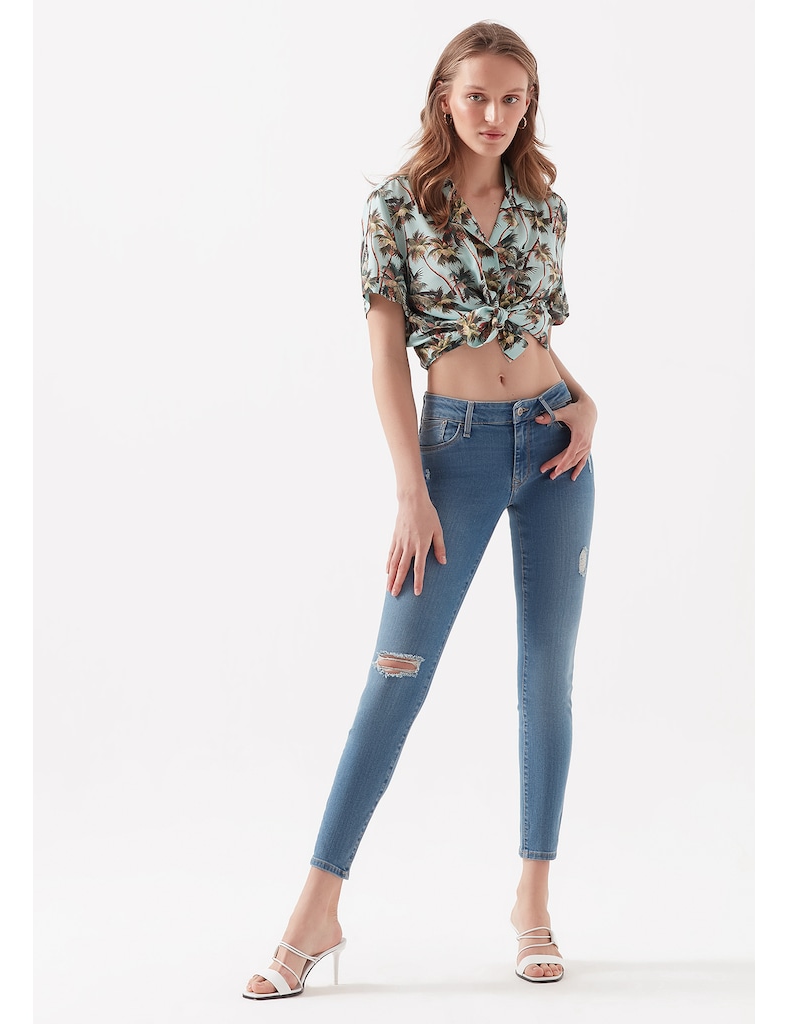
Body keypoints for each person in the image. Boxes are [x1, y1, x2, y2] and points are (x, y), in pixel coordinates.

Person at [244, 20, 597, 999]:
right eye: (478, 95)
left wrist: (586, 402)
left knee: (547, 675)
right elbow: (385, 362)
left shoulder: (543, 207)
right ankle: (316, 911)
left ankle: (532, 901)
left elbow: (533, 335)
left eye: (513, 98)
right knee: (395, 674)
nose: (495, 114)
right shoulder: (397, 209)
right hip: (454, 455)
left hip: (555, 447)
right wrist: (411, 491)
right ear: (445, 96)